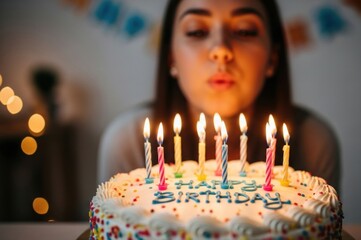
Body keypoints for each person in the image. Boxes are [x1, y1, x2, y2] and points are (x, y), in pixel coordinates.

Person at [98, 0, 341, 191]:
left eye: (245, 31)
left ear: (273, 58)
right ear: (171, 57)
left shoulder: (311, 142)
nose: (221, 50)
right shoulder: (130, 141)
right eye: (196, 31)